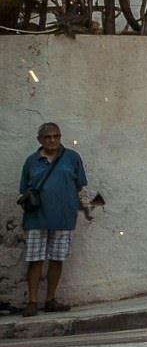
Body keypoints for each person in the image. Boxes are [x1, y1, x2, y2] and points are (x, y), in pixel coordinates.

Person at [17, 123, 93, 315]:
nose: (52, 140)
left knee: (57, 259)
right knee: (35, 260)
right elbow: (24, 189)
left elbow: (79, 185)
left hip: (63, 217)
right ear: (39, 140)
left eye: (56, 136)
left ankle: (50, 299)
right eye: (47, 137)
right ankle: (32, 302)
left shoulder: (72, 157)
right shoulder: (31, 161)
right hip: (36, 218)